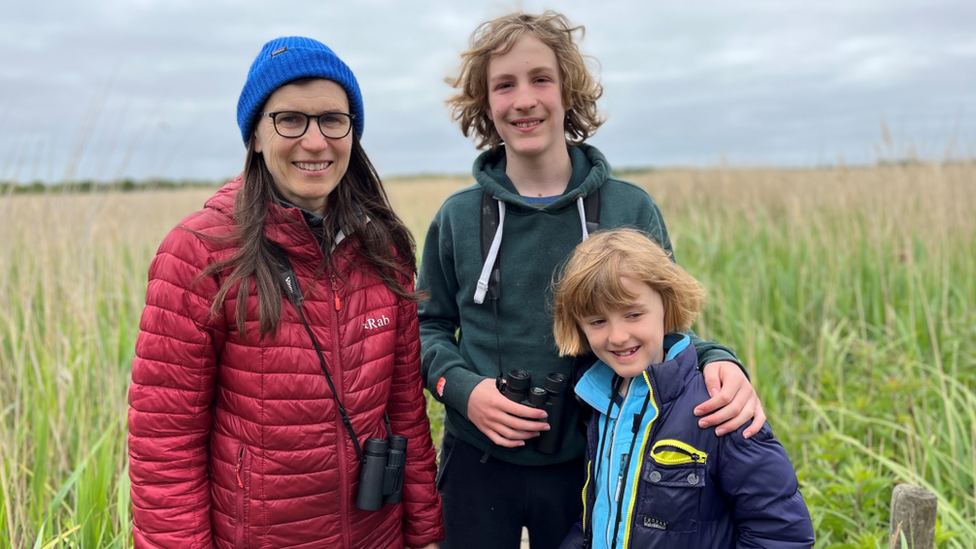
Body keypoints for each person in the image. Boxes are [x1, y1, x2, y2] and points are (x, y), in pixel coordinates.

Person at [417, 11, 766, 549]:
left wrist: (719, 359)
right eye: (504, 85)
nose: (524, 100)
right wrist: (465, 392)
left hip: (596, 456)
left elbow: (665, 329)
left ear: (568, 91)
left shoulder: (630, 207)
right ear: (486, 103)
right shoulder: (458, 218)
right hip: (476, 459)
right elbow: (427, 330)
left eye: (541, 79)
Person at [127, 36, 443, 549]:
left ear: (352, 132)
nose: (315, 141)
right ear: (254, 135)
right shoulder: (198, 253)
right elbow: (165, 444)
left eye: (332, 120)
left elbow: (406, 411)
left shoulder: (383, 248)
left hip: (375, 534)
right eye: (290, 119)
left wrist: (426, 534)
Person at [552, 229, 814, 549]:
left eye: (633, 314)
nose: (617, 336)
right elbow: (599, 513)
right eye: (597, 322)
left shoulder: (721, 404)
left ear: (667, 303)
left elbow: (782, 532)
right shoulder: (598, 402)